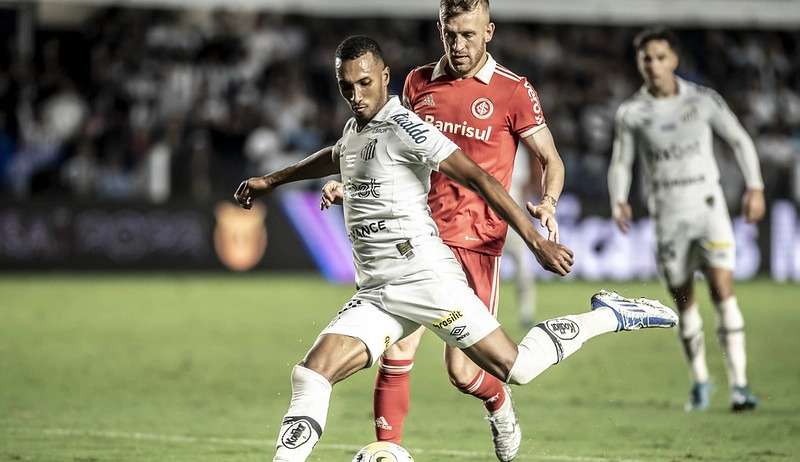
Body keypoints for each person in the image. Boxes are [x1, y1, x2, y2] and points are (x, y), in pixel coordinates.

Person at [236, 35, 678, 462]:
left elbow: (480, 178)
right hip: (377, 292)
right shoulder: (356, 128)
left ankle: (609, 315)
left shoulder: (407, 127)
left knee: (517, 368)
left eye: (364, 83)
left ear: (385, 77)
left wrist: (536, 240)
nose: (355, 95)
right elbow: (337, 153)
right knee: (310, 374)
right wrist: (270, 181)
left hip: (426, 279)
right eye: (345, 86)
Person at [322, 2, 564, 459]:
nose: (458, 45)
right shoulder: (418, 83)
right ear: (440, 29)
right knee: (395, 351)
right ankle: (387, 452)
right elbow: (383, 145)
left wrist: (548, 203)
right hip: (418, 238)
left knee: (463, 372)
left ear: (488, 32)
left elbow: (551, 159)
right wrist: (349, 183)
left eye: (468, 34)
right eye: (450, 34)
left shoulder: (514, 91)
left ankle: (498, 401)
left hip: (477, 241)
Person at [608, 27, 764, 412]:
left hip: (709, 209)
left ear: (674, 59)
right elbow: (621, 162)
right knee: (685, 303)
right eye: (647, 58)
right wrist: (618, 199)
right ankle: (700, 381)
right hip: (667, 216)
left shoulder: (703, 100)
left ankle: (740, 386)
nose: (654, 65)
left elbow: (740, 139)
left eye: (661, 57)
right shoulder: (632, 112)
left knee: (723, 291)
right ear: (639, 63)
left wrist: (755, 186)